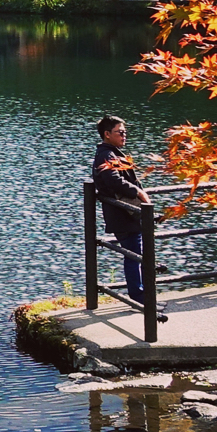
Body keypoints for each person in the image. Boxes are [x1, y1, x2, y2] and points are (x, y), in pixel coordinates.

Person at [91, 115, 167, 319]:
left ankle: (143, 296)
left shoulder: (111, 153)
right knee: (134, 255)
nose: (124, 135)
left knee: (136, 254)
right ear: (107, 134)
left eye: (124, 132)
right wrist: (140, 193)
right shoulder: (106, 155)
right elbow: (113, 180)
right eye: (119, 132)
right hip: (122, 215)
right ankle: (139, 298)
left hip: (126, 214)